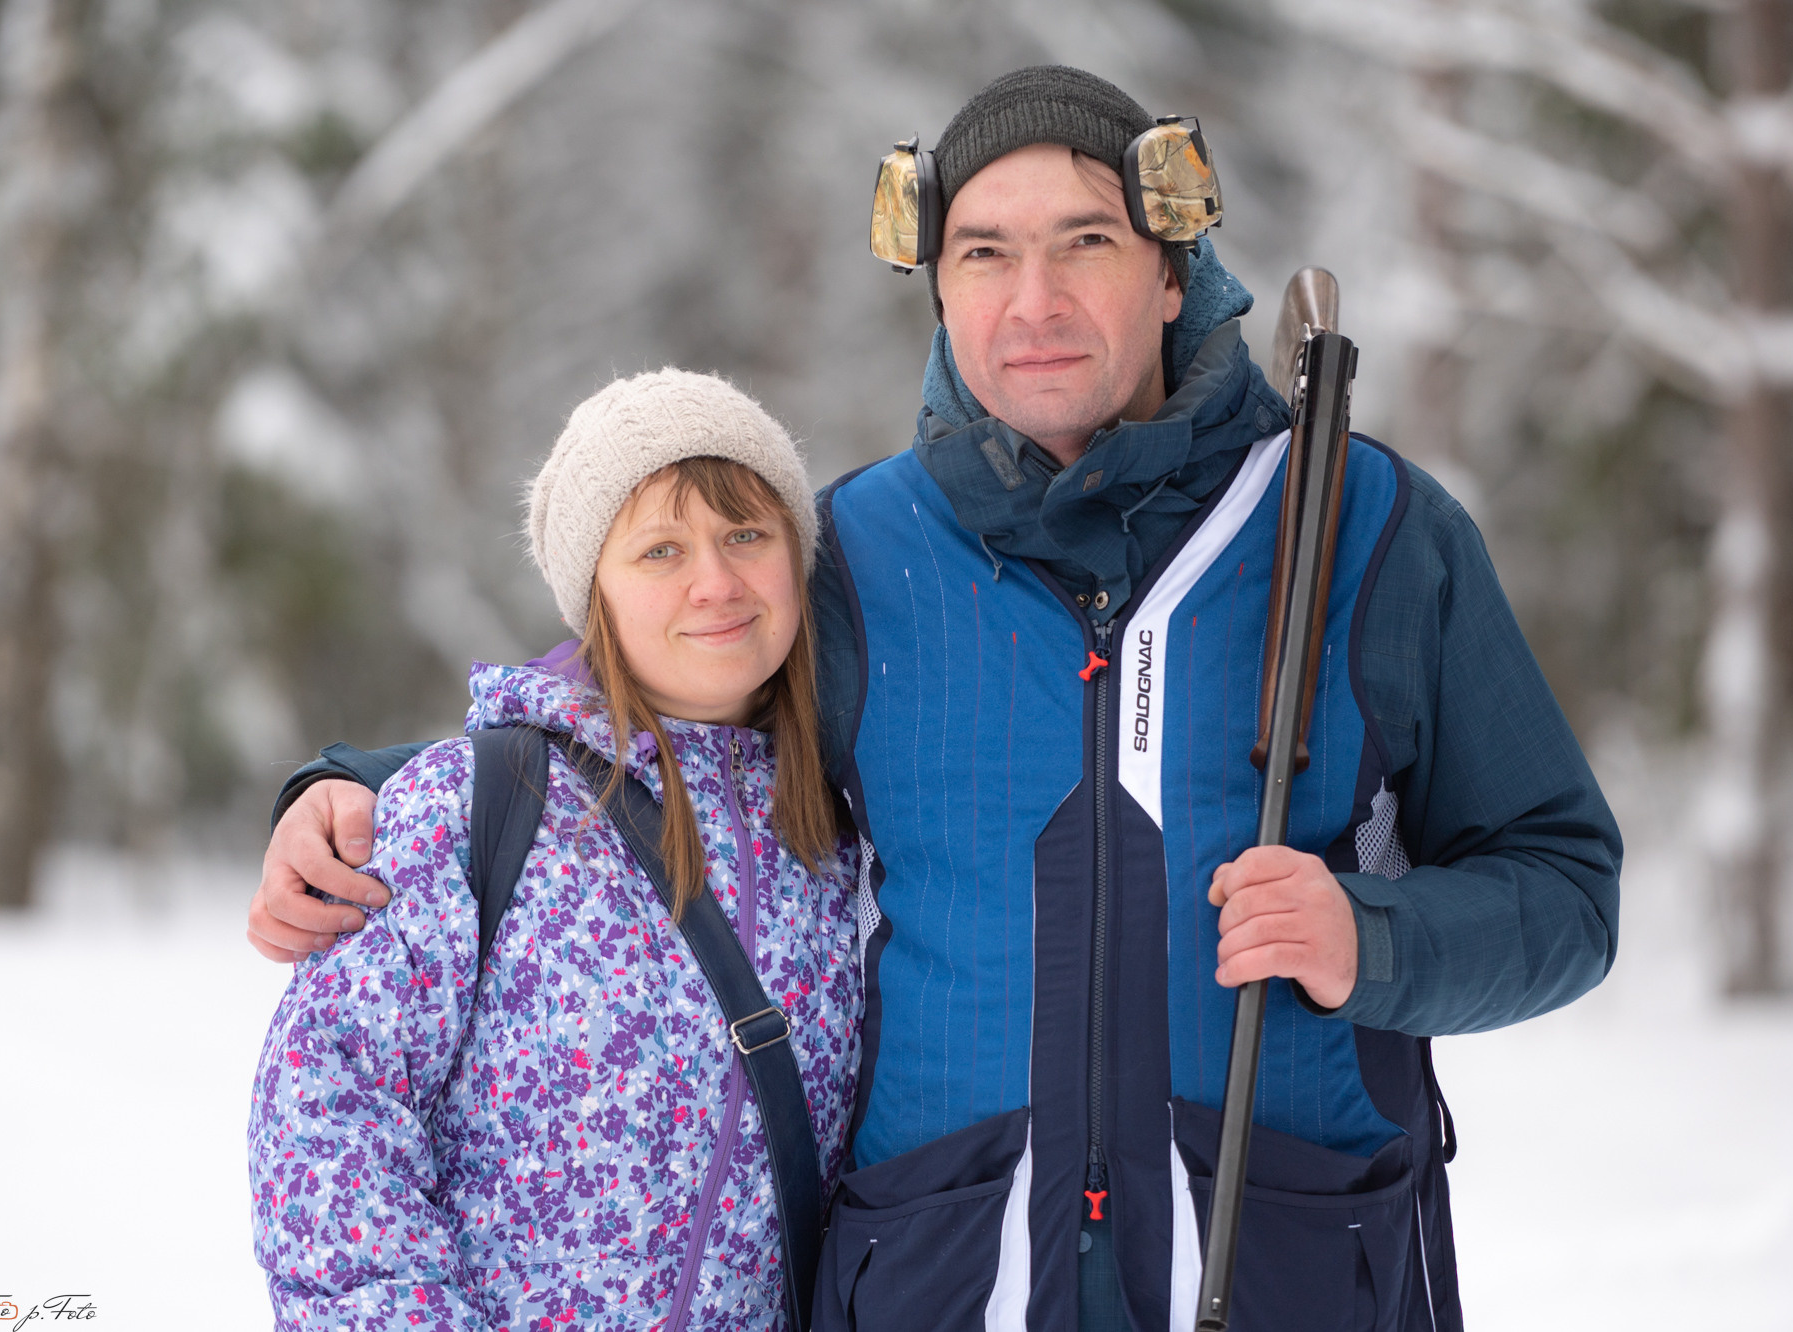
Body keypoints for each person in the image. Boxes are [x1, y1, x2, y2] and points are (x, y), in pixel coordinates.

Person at [249, 68, 1621, 1332]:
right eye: (984, 254)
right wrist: (367, 786)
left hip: (1292, 1265)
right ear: (940, 293)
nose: (1035, 301)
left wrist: (1368, 937)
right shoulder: (857, 557)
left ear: (1171, 274)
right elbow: (649, 713)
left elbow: (1566, 893)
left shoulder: (1365, 528)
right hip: (944, 1279)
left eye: (1086, 241)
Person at [246, 369, 863, 1330]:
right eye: (661, 550)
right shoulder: (478, 807)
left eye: (747, 532)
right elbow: (330, 1109)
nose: (717, 581)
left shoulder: (843, 838)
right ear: (595, 598)